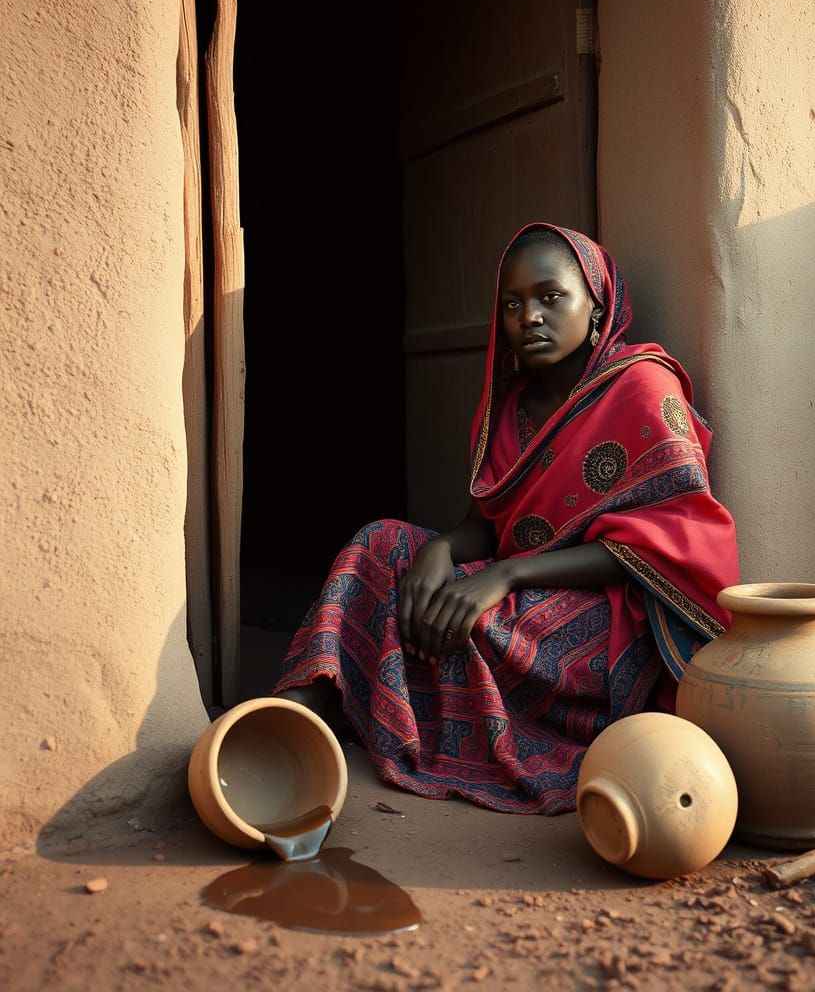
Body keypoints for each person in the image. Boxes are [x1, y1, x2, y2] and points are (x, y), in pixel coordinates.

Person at [274, 223, 739, 814]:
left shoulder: (641, 387)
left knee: (478, 616)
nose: (530, 317)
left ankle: (397, 715)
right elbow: (488, 525)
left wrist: (507, 576)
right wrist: (440, 549)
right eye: (513, 304)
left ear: (597, 305)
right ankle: (296, 716)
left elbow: (669, 542)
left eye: (551, 297)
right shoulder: (511, 404)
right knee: (379, 545)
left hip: (610, 607)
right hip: (521, 578)